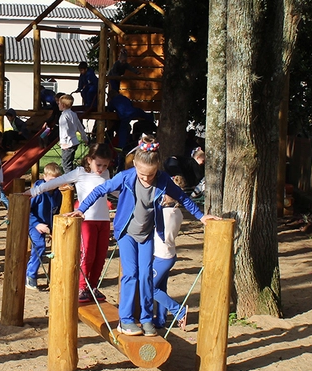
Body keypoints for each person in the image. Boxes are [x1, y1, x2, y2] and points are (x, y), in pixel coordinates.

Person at [68, 135, 219, 337]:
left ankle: (146, 319)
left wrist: (201, 216)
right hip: (127, 233)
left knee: (146, 275)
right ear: (135, 166)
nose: (146, 178)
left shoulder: (163, 180)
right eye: (142, 174)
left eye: (151, 174)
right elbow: (99, 190)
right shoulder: (126, 177)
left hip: (146, 234)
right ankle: (126, 320)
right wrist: (81, 209)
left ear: (157, 169)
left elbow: (182, 197)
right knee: (130, 273)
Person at [29, 144, 113, 302]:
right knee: (87, 254)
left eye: (105, 165)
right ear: (89, 160)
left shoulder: (106, 174)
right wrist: (33, 192)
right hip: (87, 220)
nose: (101, 169)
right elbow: (55, 182)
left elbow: (113, 189)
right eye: (99, 164)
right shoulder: (80, 173)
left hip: (104, 220)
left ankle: (93, 286)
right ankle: (81, 287)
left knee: (100, 255)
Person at [152, 184, 188, 330]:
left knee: (149, 287)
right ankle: (160, 320)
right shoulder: (178, 213)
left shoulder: (162, 213)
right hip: (169, 254)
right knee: (161, 287)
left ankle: (179, 311)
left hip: (162, 256)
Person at [26, 163, 64, 290]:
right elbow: (27, 210)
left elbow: (55, 212)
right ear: (45, 177)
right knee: (39, 246)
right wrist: (37, 224)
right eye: (51, 180)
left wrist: (53, 229)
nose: (53, 183)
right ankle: (30, 275)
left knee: (58, 246)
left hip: (47, 225)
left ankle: (54, 278)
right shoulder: (38, 192)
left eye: (57, 180)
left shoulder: (58, 194)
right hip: (32, 223)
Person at [57, 94, 87, 173]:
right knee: (69, 163)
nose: (58, 105)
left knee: (66, 165)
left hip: (68, 143)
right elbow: (80, 127)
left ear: (63, 105)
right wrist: (85, 138)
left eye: (59, 103)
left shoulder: (64, 116)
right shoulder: (73, 114)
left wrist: (63, 142)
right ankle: (71, 177)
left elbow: (64, 129)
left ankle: (70, 179)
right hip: (74, 141)